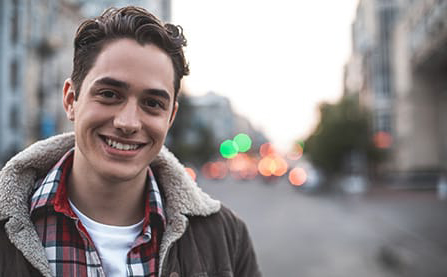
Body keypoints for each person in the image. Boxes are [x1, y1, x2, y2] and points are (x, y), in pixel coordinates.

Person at [0, 6, 261, 277]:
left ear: (170, 117)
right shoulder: (8, 224)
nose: (128, 122)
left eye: (152, 103)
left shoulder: (226, 237)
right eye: (110, 94)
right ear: (71, 100)